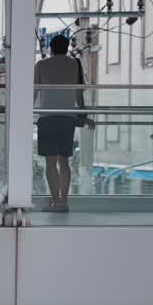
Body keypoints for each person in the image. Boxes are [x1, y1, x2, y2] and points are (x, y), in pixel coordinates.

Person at [33, 34, 94, 212]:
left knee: (50, 163)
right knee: (64, 161)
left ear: (51, 48)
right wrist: (82, 116)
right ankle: (63, 201)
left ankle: (55, 200)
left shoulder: (41, 65)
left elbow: (34, 92)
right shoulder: (74, 64)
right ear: (67, 47)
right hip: (68, 118)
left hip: (47, 117)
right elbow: (79, 93)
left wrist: (24, 113)